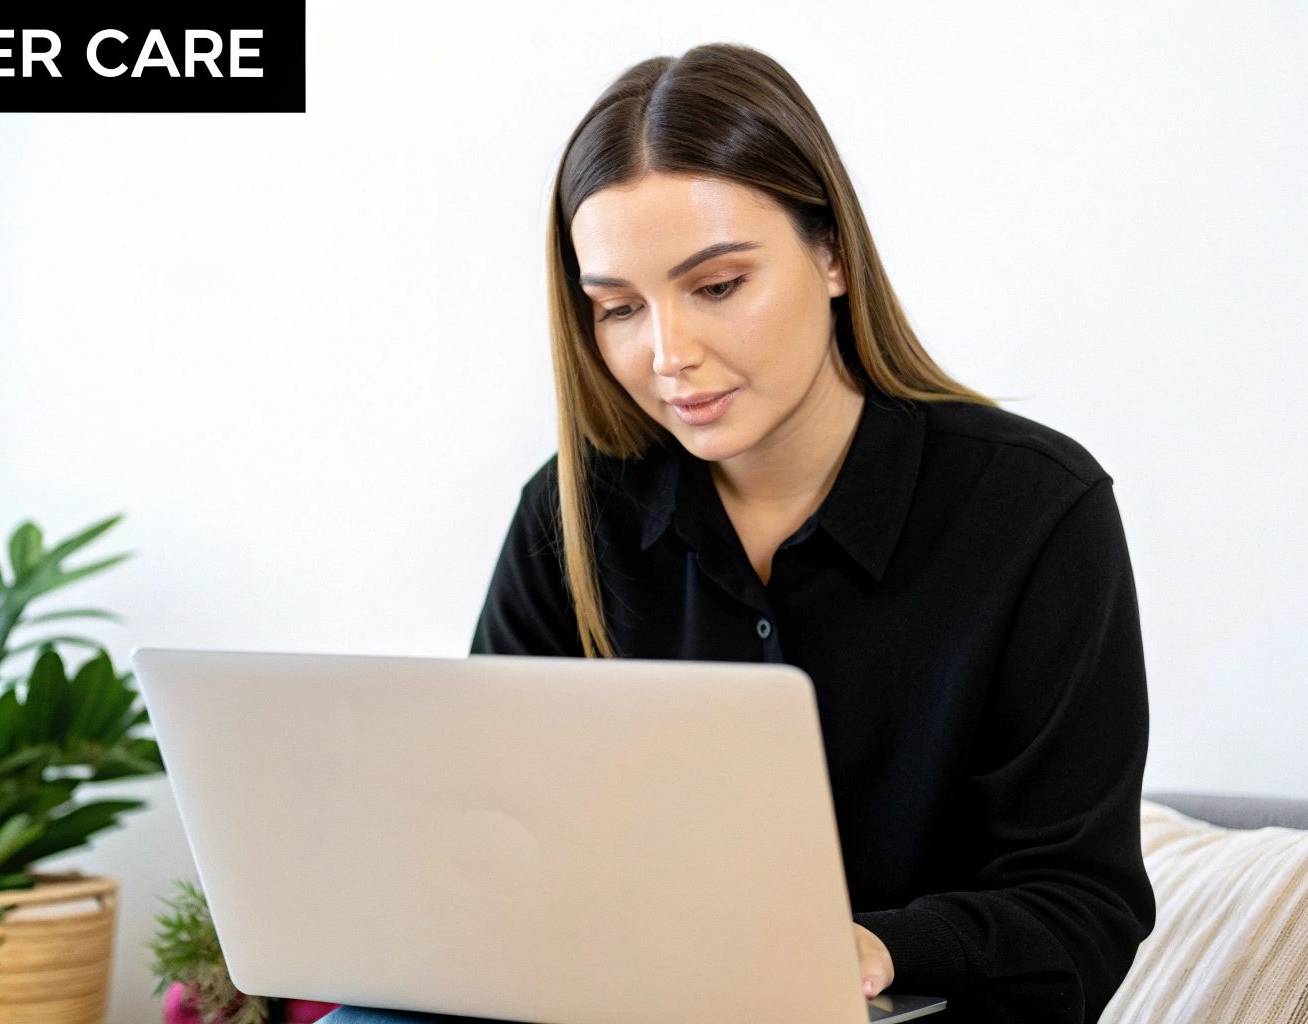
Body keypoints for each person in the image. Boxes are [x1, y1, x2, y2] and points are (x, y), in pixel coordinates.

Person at [467, 43, 1156, 1023]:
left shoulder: (1033, 512)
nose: (667, 355)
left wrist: (873, 947)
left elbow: (1079, 909)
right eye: (617, 308)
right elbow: (493, 834)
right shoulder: (573, 511)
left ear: (830, 253)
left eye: (714, 287)